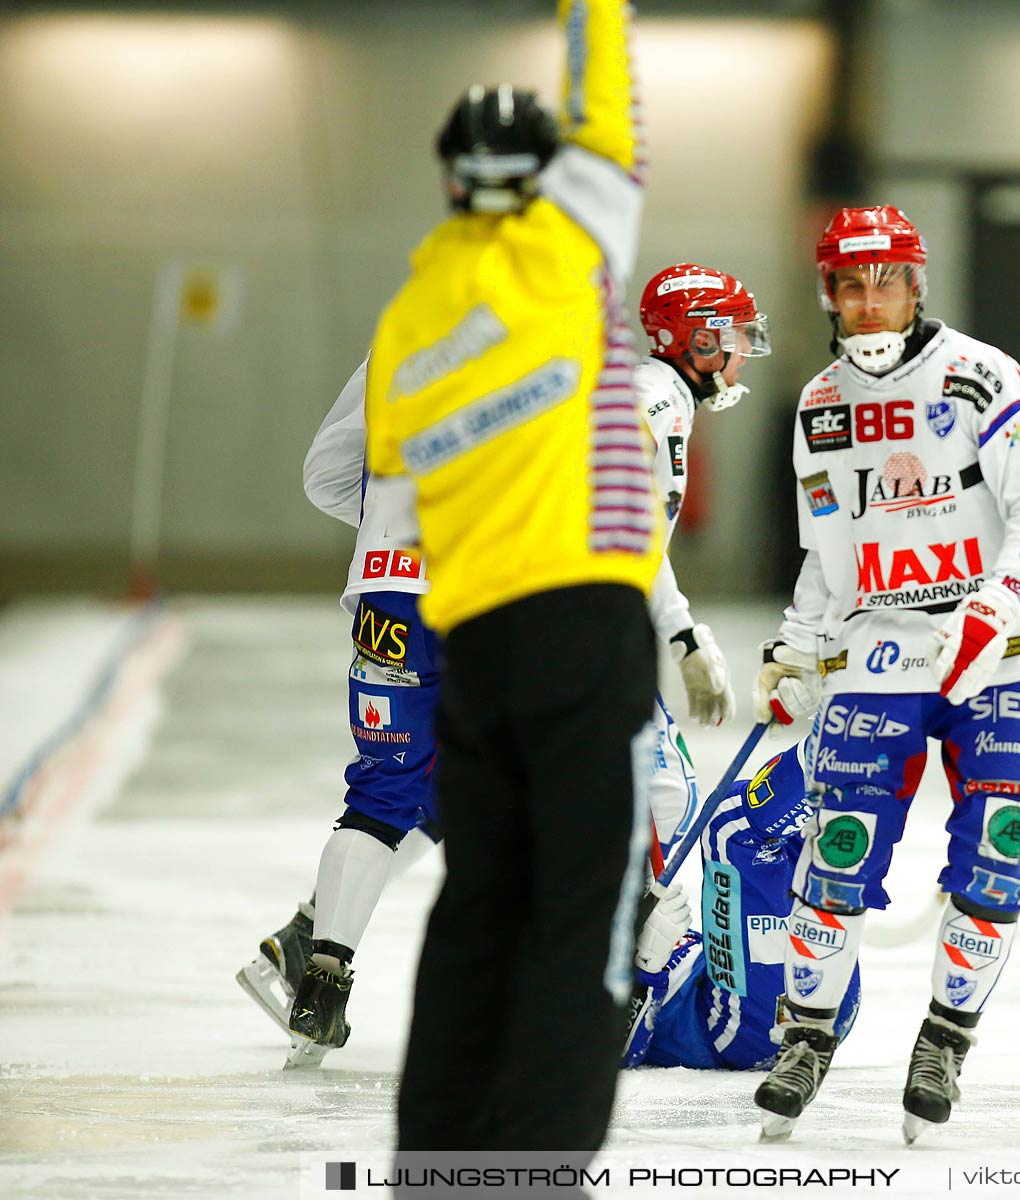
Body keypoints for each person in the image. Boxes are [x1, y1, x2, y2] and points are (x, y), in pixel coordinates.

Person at [364, 0, 658, 1155]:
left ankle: (436, 1163)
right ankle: (536, 1172)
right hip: (587, 619)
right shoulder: (572, 241)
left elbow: (387, 468)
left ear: (447, 182)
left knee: (482, 903)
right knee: (588, 913)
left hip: (471, 647)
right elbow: (612, 100)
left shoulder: (410, 316)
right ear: (541, 174)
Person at [749, 205, 1020, 1144]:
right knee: (840, 848)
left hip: (1002, 646)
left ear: (916, 282)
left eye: (885, 280)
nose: (868, 302)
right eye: (849, 286)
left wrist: (994, 607)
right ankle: (807, 1036)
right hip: (881, 649)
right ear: (828, 294)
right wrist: (799, 647)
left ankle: (944, 1041)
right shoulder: (818, 403)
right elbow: (828, 548)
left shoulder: (983, 376)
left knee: (1002, 844)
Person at [233, 362, 441, 1068]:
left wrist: (387, 531)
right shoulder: (548, 334)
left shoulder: (402, 335)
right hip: (483, 592)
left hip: (386, 594)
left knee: (395, 787)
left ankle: (315, 959)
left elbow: (326, 469)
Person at [624, 727, 862, 1071]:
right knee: (730, 827)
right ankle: (843, 734)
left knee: (790, 834)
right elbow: (599, 1052)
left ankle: (849, 741)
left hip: (790, 996)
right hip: (740, 1025)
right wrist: (646, 972)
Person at [634, 264, 773, 852]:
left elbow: (635, 537)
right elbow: (624, 544)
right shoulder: (656, 404)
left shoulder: (652, 394)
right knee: (667, 793)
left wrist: (683, 633)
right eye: (736, 334)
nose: (745, 350)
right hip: (575, 626)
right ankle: (643, 939)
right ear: (702, 339)